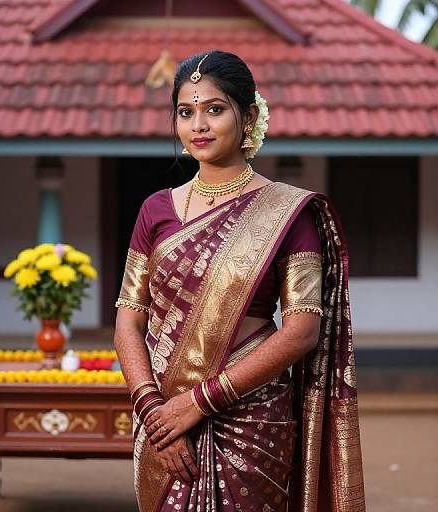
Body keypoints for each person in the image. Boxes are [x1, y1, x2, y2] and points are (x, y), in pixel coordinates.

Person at [114, 50, 366, 512]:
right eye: (186, 112)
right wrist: (153, 411)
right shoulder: (155, 211)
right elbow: (128, 322)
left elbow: (302, 331)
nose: (199, 126)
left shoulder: (289, 214)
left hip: (251, 416)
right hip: (164, 417)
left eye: (214, 109)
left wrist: (200, 401)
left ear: (247, 116)